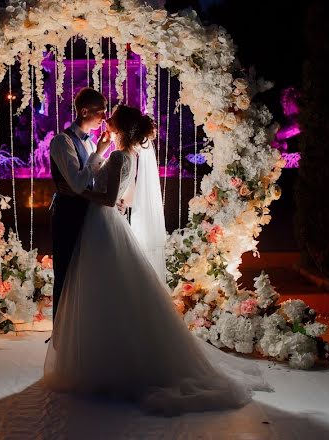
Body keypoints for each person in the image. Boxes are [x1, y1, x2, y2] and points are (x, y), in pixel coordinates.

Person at [44, 104, 267, 416]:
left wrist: (82, 194)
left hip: (101, 222)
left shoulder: (121, 155)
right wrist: (113, 196)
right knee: (113, 288)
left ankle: (102, 358)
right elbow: (127, 197)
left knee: (102, 288)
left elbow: (107, 198)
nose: (106, 121)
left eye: (112, 118)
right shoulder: (131, 155)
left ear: (120, 128)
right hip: (108, 222)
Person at [47, 88, 110, 322]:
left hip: (89, 214)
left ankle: (82, 326)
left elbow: (91, 181)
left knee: (86, 272)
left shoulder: (91, 144)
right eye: (101, 113)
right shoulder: (61, 142)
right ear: (84, 111)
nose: (104, 118)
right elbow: (77, 183)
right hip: (68, 215)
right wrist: (101, 153)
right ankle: (61, 330)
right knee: (65, 272)